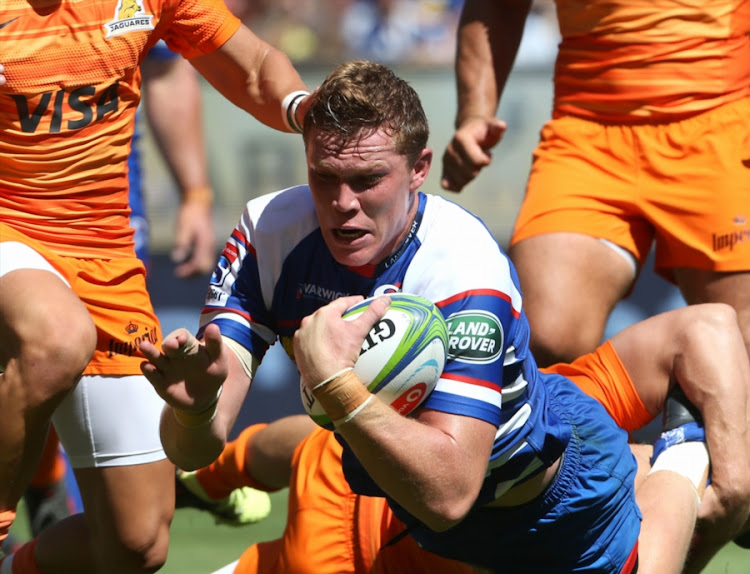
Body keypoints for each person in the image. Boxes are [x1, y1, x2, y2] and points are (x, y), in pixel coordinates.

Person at [140, 60, 750, 573]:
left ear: (419, 169)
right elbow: (194, 445)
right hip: (427, 508)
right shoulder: (268, 234)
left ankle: (684, 452)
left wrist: (331, 379)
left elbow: (450, 494)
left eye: (367, 179)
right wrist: (191, 412)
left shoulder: (462, 270)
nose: (342, 205)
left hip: (556, 506)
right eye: (324, 177)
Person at [0, 2, 311, 571]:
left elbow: (251, 67)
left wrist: (308, 111)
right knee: (58, 338)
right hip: (9, 225)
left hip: (104, 255)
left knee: (136, 542)